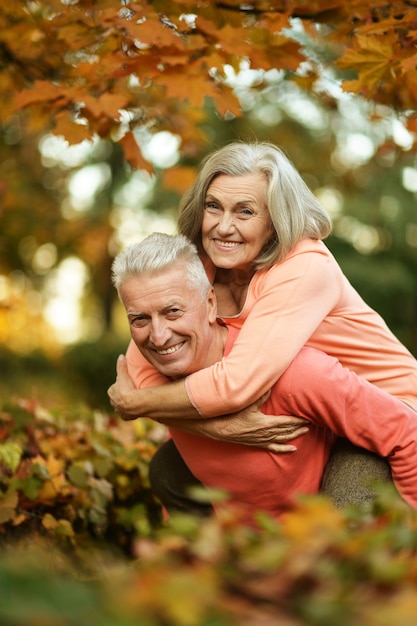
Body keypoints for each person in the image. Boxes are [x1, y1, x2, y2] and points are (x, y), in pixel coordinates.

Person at [108, 141, 417, 509]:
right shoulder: (204, 268)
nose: (224, 227)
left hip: (390, 412)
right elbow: (143, 368)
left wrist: (137, 404)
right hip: (321, 418)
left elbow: (234, 385)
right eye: (213, 207)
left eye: (245, 212)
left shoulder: (303, 268)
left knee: (343, 508)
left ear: (275, 220)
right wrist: (219, 428)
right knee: (170, 467)